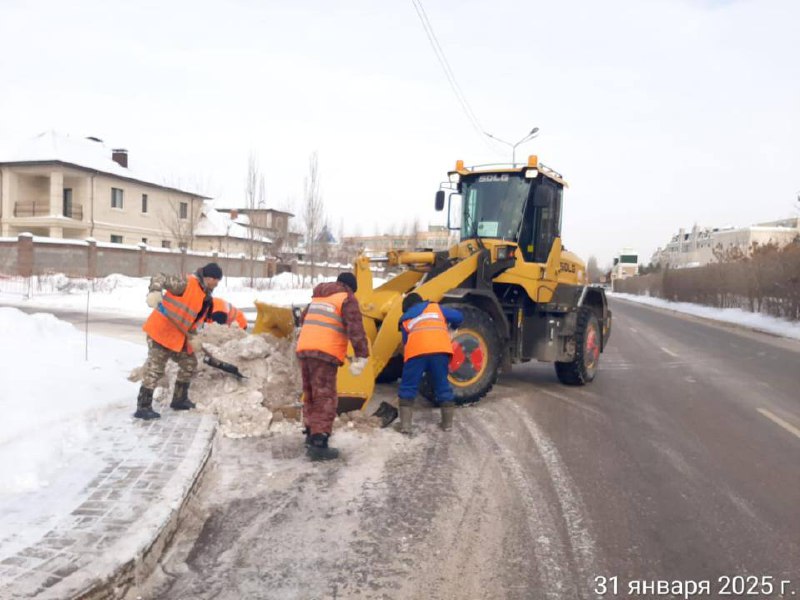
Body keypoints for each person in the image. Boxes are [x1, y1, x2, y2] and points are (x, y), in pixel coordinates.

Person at [134, 262, 222, 420]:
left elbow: (191, 319)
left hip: (178, 337)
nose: (217, 283)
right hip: (160, 333)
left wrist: (193, 336)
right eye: (216, 280)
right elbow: (159, 276)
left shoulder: (205, 296)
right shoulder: (187, 284)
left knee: (189, 363)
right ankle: (143, 407)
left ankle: (179, 400)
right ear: (209, 278)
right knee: (155, 369)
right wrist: (154, 291)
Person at [296, 272, 369, 461]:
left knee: (310, 394)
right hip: (324, 354)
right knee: (325, 397)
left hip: (304, 349)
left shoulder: (319, 297)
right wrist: (362, 355)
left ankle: (311, 432)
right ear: (351, 287)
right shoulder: (346, 298)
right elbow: (355, 327)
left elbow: (305, 320)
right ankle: (319, 442)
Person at [397, 293, 463, 433]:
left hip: (416, 353)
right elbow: (458, 316)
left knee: (408, 386)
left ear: (407, 307)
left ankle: (406, 426)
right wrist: (454, 326)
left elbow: (405, 341)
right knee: (442, 385)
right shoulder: (435, 308)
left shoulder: (405, 318)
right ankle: (447, 425)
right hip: (440, 351)